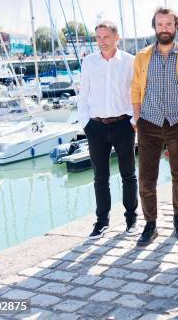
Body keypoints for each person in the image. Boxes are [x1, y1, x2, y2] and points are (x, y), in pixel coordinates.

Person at [131, 7, 178, 245]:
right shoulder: (142, 57)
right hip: (149, 123)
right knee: (147, 178)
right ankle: (150, 224)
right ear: (154, 27)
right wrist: (137, 118)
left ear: (176, 26)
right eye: (160, 24)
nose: (164, 29)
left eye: (168, 24)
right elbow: (136, 88)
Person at [77, 21, 138, 239]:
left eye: (106, 37)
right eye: (98, 38)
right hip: (96, 127)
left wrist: (133, 119)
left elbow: (135, 92)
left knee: (128, 175)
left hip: (123, 125)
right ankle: (102, 222)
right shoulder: (89, 62)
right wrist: (85, 123)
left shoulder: (129, 61)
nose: (102, 42)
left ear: (116, 38)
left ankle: (131, 219)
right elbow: (83, 95)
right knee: (100, 177)